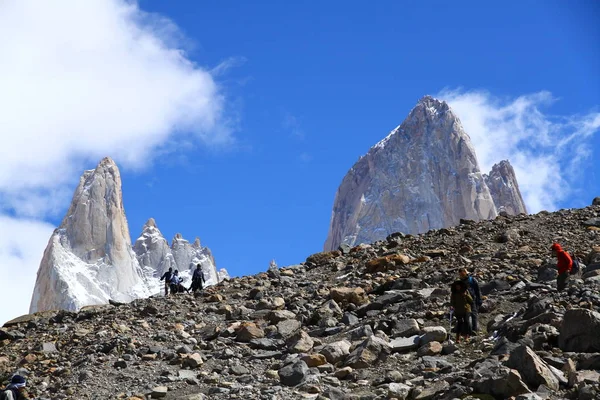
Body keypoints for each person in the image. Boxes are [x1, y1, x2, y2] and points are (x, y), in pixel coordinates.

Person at [458, 267, 482, 334]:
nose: (461, 276)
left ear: (465, 273)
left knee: (474, 314)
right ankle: (466, 330)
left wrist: (479, 299)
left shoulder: (472, 280)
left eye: (462, 274)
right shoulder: (459, 282)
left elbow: (478, 290)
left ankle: (474, 330)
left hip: (472, 299)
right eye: (460, 275)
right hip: (463, 300)